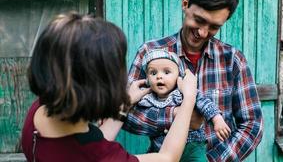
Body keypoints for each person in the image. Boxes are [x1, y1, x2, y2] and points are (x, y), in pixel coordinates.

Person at [21, 12, 198, 162]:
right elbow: (167, 158)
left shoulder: (39, 110)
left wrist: (125, 106)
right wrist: (189, 98)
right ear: (105, 84)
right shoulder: (100, 156)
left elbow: (88, 143)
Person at [127, 0, 263, 161]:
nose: (202, 32)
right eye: (199, 20)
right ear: (185, 4)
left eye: (214, 27)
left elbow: (252, 125)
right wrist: (174, 116)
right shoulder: (149, 54)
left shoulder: (233, 60)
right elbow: (126, 115)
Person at [123, 49, 231, 161]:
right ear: (147, 79)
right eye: (153, 73)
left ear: (178, 76)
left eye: (166, 72)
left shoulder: (184, 91)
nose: (159, 77)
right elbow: (135, 115)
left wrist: (217, 119)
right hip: (160, 149)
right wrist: (128, 101)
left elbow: (205, 103)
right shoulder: (146, 99)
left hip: (192, 147)